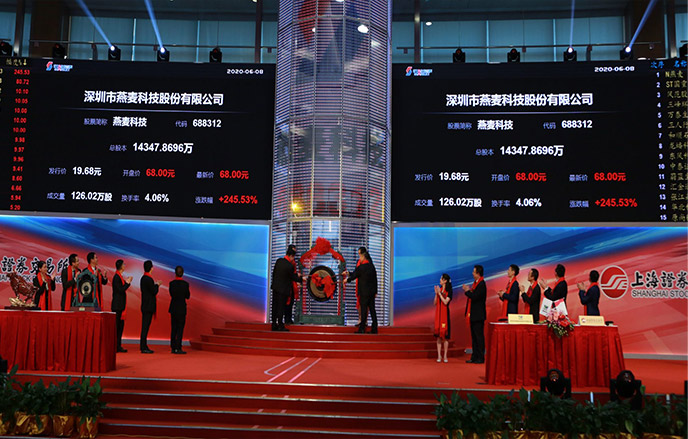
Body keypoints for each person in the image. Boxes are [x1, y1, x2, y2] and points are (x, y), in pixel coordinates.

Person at [270, 246, 305, 331]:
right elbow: (293, 277)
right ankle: (280, 325)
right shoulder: (289, 265)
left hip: (275, 288)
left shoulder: (278, 261)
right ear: (292, 256)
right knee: (281, 308)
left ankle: (274, 324)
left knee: (275, 306)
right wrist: (301, 278)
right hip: (283, 290)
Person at [345, 247, 378, 334]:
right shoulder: (372, 266)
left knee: (363, 310)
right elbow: (375, 280)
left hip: (363, 292)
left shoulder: (361, 267)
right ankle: (374, 329)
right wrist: (375, 291)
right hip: (371, 293)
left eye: (360, 256)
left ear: (363, 256)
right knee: (372, 310)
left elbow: (354, 276)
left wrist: (347, 280)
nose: (359, 258)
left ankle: (362, 329)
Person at [462, 265, 486, 364]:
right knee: (474, 338)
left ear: (478, 273)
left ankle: (480, 357)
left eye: (474, 272)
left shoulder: (481, 284)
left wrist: (467, 291)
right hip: (474, 314)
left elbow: (475, 297)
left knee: (479, 337)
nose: (472, 273)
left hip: (478, 315)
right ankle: (474, 357)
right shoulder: (476, 284)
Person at [111, 259, 132, 353]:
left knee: (120, 327)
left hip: (120, 305)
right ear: (121, 266)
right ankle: (115, 346)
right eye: (124, 264)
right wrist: (127, 283)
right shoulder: (116, 277)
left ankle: (118, 345)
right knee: (117, 327)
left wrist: (126, 282)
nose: (125, 265)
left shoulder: (119, 276)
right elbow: (120, 290)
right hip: (117, 306)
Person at [140, 260, 161, 353]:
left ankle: (143, 345)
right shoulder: (148, 279)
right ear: (151, 268)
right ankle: (143, 347)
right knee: (145, 327)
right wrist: (157, 285)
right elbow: (154, 291)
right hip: (148, 306)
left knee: (145, 326)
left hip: (145, 304)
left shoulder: (143, 278)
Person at [169, 265, 191, 354]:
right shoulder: (185, 284)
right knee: (180, 329)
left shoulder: (171, 283)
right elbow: (188, 296)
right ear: (182, 273)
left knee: (173, 328)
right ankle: (178, 347)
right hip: (181, 308)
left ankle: (173, 347)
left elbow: (171, 294)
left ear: (175, 273)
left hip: (173, 308)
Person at [434, 273, 453, 363]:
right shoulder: (440, 290)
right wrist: (436, 294)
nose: (440, 280)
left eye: (441, 279)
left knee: (445, 337)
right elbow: (435, 303)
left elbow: (445, 302)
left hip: (445, 315)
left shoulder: (449, 291)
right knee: (438, 337)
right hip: (438, 314)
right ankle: (439, 355)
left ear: (445, 281)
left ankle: (445, 355)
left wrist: (440, 294)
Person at [284, 245, 299, 325]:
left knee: (291, 302)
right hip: (286, 286)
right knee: (287, 302)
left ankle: (289, 319)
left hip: (292, 285)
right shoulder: (285, 262)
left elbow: (294, 273)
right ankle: (287, 319)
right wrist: (298, 278)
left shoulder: (293, 262)